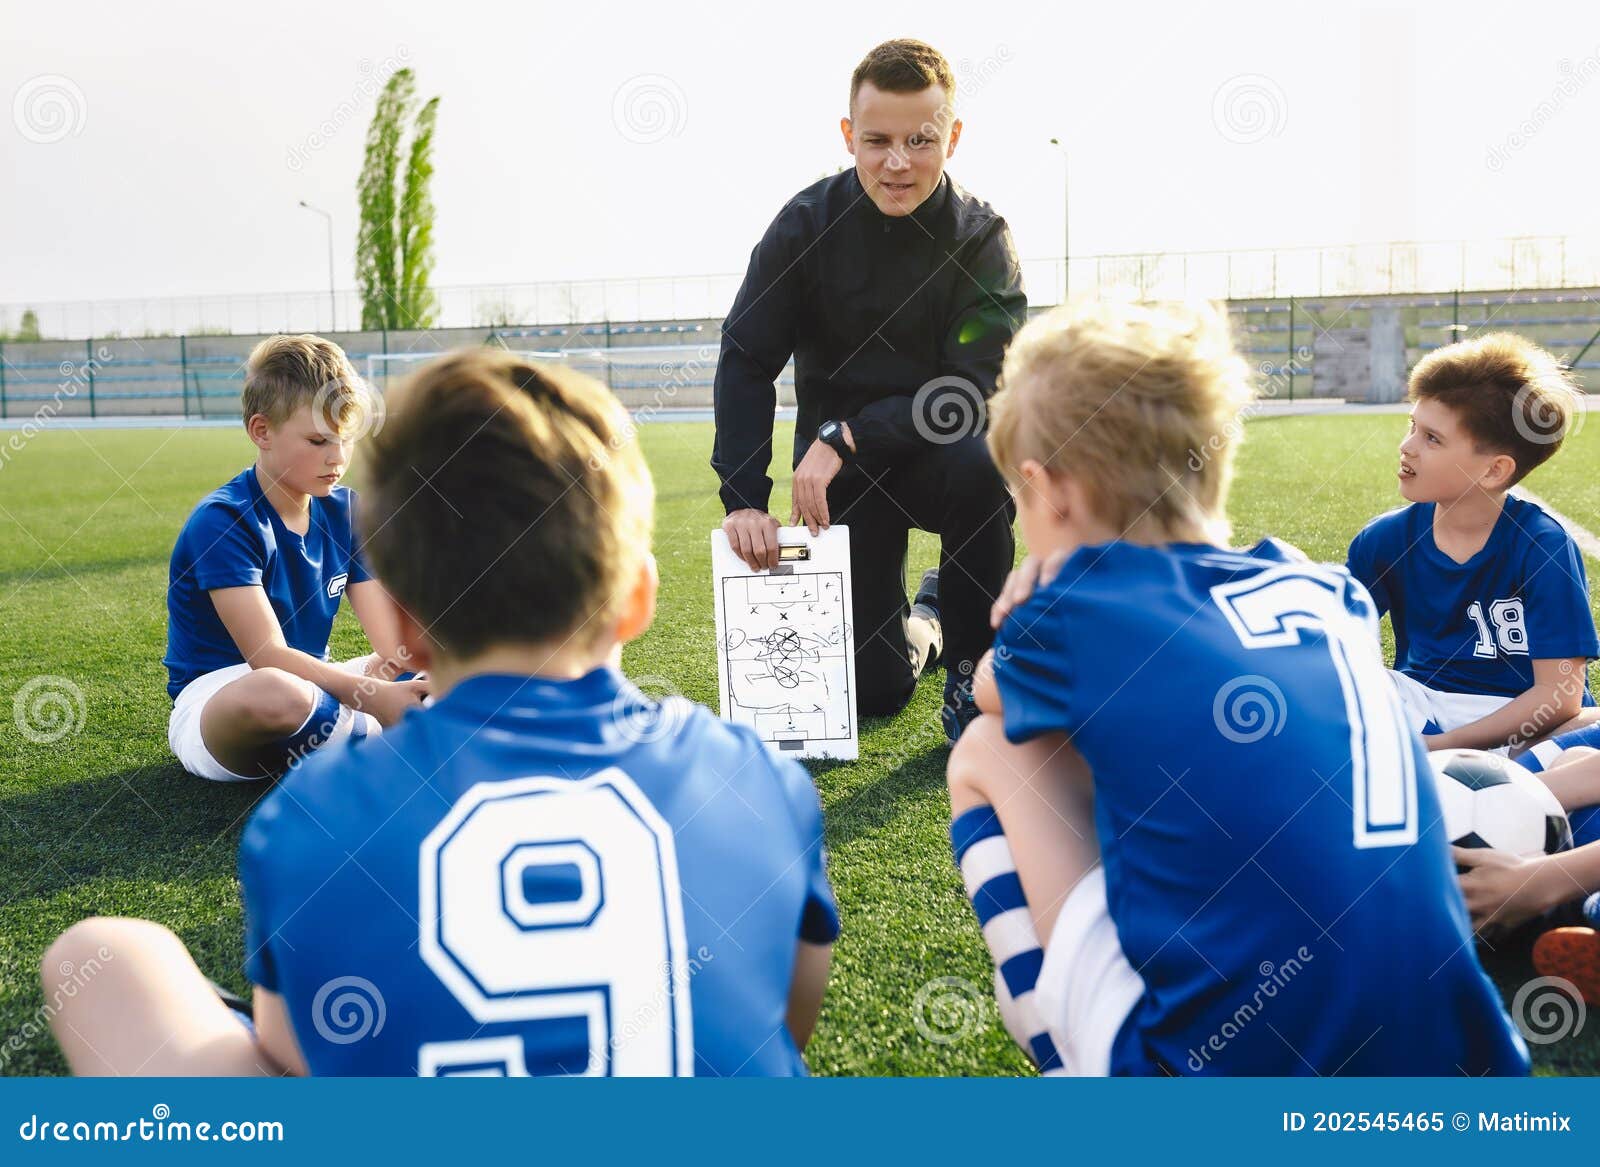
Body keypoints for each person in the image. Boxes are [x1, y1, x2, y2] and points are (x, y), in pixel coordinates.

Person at [46, 349, 838, 1077]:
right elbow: (788, 1023)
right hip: (236, 695)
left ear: (413, 625)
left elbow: (293, 1058)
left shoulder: (309, 816)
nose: (332, 457)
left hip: (345, 749)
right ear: (639, 596)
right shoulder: (757, 777)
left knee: (102, 952)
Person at [945, 299, 1529, 1076]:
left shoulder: (1080, 604)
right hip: (1458, 1067)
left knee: (990, 746)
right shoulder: (1329, 593)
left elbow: (990, 692)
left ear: (1046, 489)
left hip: (1228, 1085)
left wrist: (1020, 613)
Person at [712, 38, 1027, 741]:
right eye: (877, 139)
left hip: (936, 456)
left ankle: (974, 674)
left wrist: (847, 434)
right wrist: (742, 500)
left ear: (953, 136)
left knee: (984, 468)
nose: (897, 161)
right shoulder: (804, 226)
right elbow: (745, 357)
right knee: (876, 691)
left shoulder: (982, 239)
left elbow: (972, 390)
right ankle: (933, 618)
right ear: (849, 135)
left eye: (921, 140)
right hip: (837, 483)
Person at [162, 333, 425, 782]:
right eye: (318, 441)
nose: (338, 458)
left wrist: (439, 664)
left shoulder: (346, 510)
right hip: (226, 698)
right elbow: (267, 656)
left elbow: (390, 642)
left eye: (345, 439)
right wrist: (372, 697)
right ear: (261, 431)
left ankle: (382, 733)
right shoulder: (224, 520)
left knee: (440, 663)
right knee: (275, 692)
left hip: (319, 684)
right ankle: (397, 737)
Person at [1346, 333, 1598, 754]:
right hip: (1423, 706)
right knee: (1347, 687)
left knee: (1588, 728)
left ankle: (1500, 781)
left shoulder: (1543, 547)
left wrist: (1443, 746)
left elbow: (1560, 697)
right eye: (1412, 426)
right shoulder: (1383, 540)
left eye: (1432, 438)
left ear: (1494, 470)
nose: (1406, 447)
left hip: (1524, 725)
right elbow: (1339, 648)